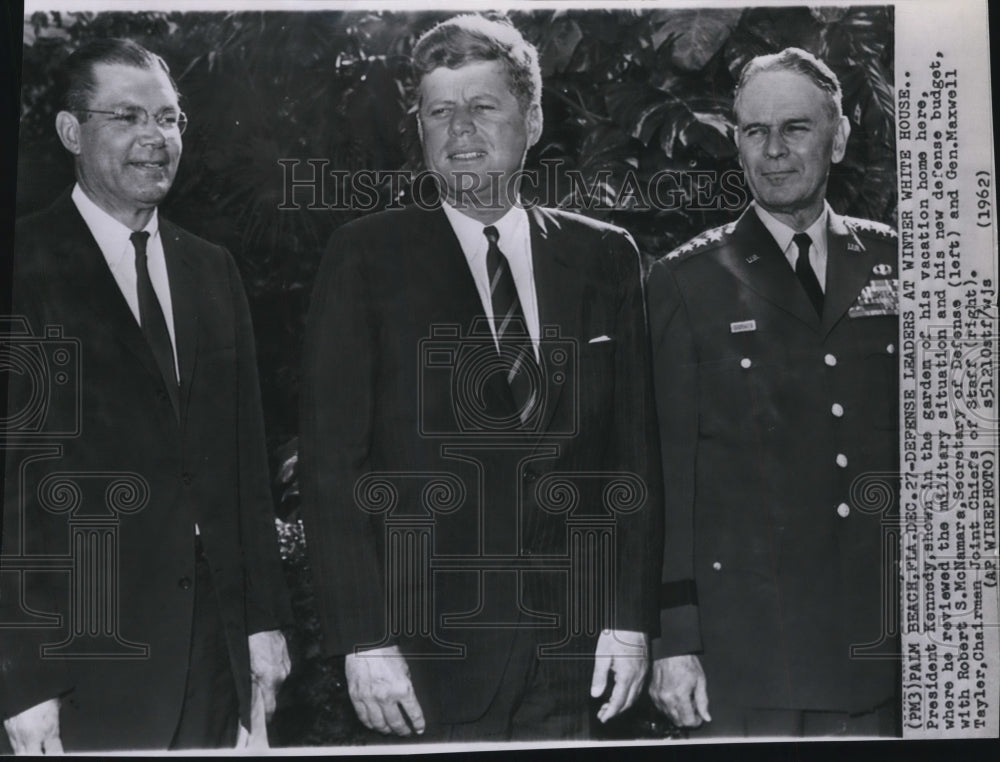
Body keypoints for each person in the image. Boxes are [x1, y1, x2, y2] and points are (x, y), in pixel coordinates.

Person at [299, 14, 662, 742]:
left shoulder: (604, 258)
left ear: (531, 120)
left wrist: (629, 618)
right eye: (440, 110)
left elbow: (635, 455)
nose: (460, 128)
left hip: (574, 654)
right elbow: (334, 466)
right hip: (427, 659)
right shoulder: (367, 258)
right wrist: (363, 640)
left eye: (483, 105)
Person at [0, 38, 292, 752]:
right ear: (73, 131)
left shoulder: (211, 270)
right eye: (127, 116)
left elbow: (243, 470)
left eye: (169, 119)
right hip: (80, 661)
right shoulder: (25, 267)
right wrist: (20, 680)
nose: (155, 138)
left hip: (213, 656)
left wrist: (262, 625)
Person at [646, 47, 900, 737]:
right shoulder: (686, 283)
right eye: (755, 132)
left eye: (796, 128)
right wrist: (675, 640)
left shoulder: (898, 263)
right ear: (736, 143)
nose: (775, 150)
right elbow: (667, 476)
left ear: (839, 137)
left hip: (878, 644)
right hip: (749, 654)